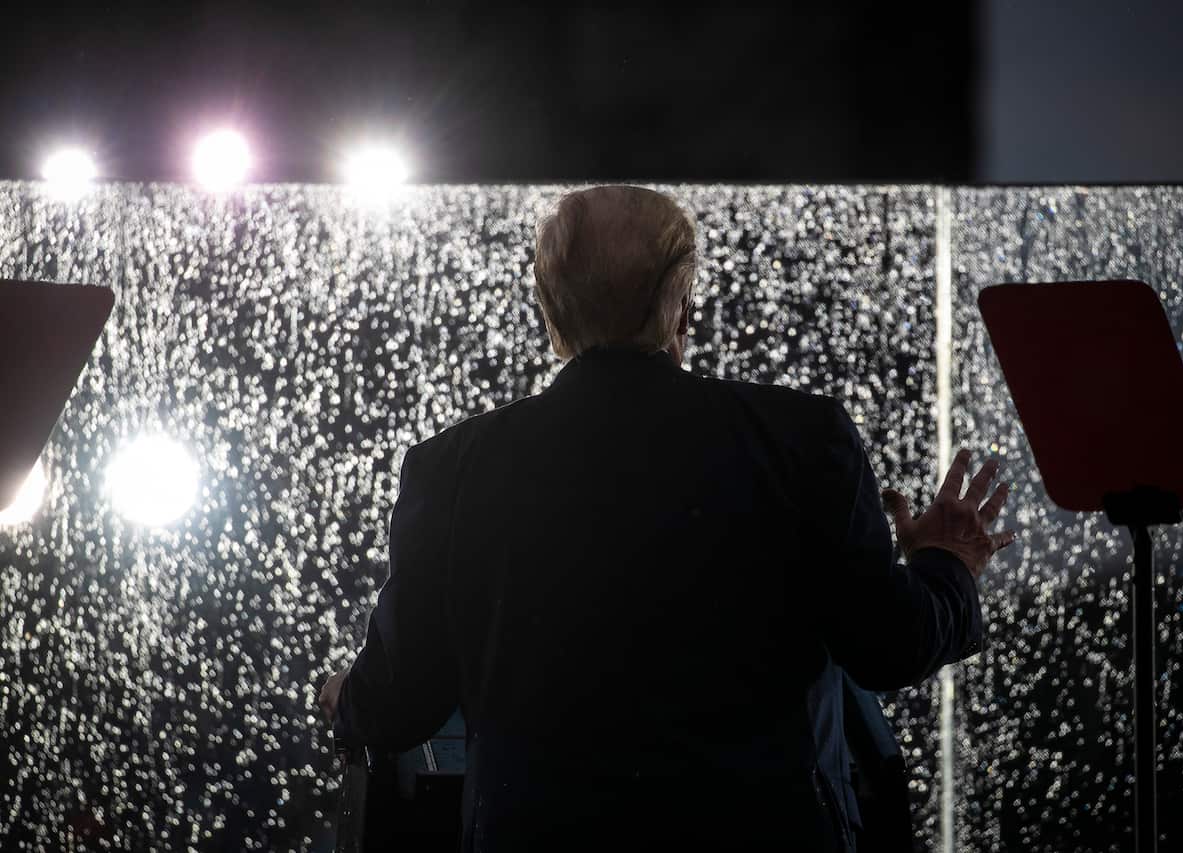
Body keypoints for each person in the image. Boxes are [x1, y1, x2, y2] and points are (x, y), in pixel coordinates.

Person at [318, 185, 1015, 851]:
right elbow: (888, 645)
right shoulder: (804, 439)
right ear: (682, 304)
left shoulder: (452, 467)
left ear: (550, 311)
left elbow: (397, 704)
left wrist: (347, 697)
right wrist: (946, 563)